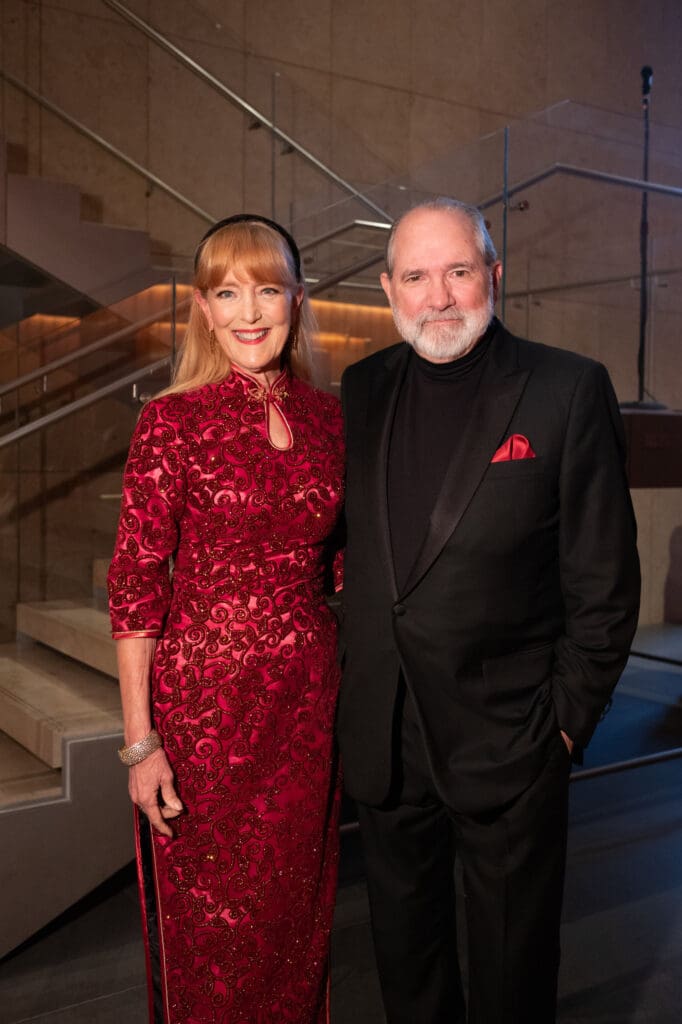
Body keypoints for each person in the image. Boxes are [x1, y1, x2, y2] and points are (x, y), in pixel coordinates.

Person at [337, 197, 640, 1023]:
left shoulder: (568, 388)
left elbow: (605, 582)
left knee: (512, 972)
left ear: (494, 276)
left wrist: (566, 725)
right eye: (416, 277)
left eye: (458, 271)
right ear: (387, 289)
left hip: (512, 740)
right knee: (408, 967)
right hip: (387, 742)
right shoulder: (360, 389)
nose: (438, 297)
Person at [107, 215, 345, 1024]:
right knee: (212, 931)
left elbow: (347, 568)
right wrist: (142, 744)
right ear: (204, 309)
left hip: (307, 715)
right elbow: (136, 587)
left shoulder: (331, 420)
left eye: (268, 289)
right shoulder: (170, 422)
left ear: (297, 300)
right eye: (228, 292)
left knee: (297, 918)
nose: (251, 311)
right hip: (204, 719)